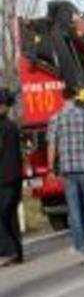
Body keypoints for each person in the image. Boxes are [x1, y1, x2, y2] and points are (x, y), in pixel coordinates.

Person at [47, 87, 84, 253]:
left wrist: (50, 167)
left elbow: (52, 145)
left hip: (68, 169)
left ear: (62, 98)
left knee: (74, 207)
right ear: (75, 97)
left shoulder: (56, 118)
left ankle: (80, 245)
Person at [0, 87, 23, 266]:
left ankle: (9, 251)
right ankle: (17, 253)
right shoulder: (12, 125)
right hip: (14, 175)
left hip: (5, 177)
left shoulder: (2, 126)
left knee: (2, 215)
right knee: (11, 215)